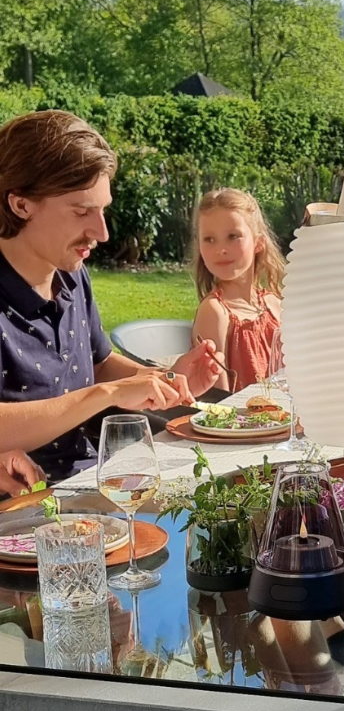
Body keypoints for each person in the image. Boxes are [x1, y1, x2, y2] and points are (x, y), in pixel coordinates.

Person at [0, 110, 220, 482]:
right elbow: (104, 387)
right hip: (26, 503)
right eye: (82, 211)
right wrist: (108, 394)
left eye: (102, 210)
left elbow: (99, 364)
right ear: (21, 205)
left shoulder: (72, 274)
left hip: (92, 480)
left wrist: (164, 379)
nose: (101, 233)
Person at [192, 188, 284, 392]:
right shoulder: (215, 312)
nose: (221, 249)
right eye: (209, 239)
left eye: (232, 236)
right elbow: (218, 399)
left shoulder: (274, 305)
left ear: (258, 243)